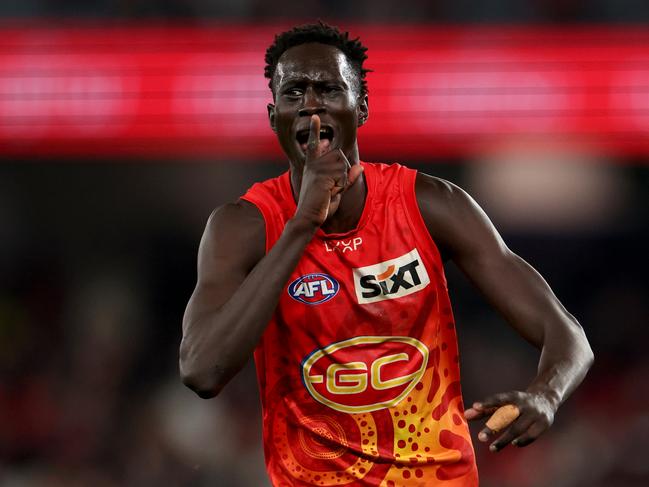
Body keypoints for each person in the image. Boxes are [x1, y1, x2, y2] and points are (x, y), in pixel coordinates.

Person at [179, 22, 594, 486]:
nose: (311, 105)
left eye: (329, 90)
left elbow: (568, 336)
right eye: (294, 93)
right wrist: (302, 225)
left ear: (362, 108)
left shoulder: (430, 204)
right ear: (274, 115)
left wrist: (546, 395)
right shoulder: (245, 226)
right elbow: (201, 370)